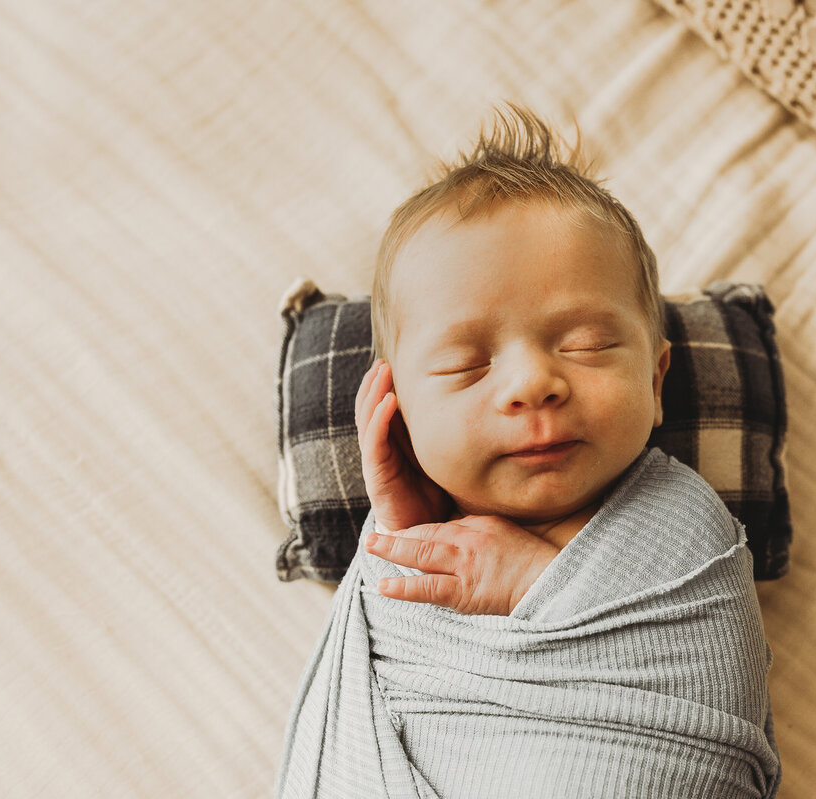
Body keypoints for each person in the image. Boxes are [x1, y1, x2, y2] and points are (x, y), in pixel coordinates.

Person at [276, 105, 780, 798]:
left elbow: (716, 676)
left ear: (656, 380)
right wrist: (398, 535)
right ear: (401, 410)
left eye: (587, 344)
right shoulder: (394, 566)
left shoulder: (684, 527)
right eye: (464, 364)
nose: (532, 383)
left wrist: (532, 584)